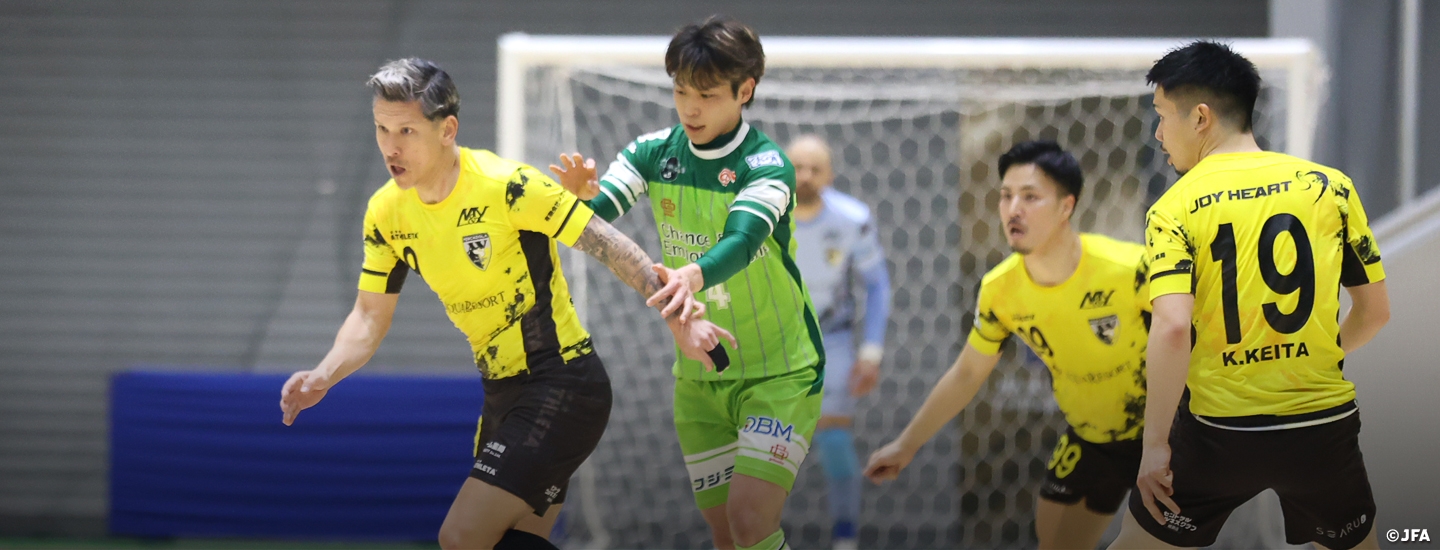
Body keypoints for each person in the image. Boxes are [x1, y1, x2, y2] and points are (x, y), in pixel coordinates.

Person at [276, 58, 730, 550]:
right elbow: (368, 316)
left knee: (461, 537)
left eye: (406, 130)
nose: (391, 147)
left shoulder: (508, 185)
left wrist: (679, 319)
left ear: (447, 129)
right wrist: (325, 374)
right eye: (382, 129)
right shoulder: (385, 213)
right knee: (500, 542)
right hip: (501, 393)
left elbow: (609, 245)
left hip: (563, 383)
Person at [549, 16, 824, 550]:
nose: (690, 108)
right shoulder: (652, 152)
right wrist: (581, 201)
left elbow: (742, 239)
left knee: (750, 521)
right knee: (724, 533)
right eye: (680, 91)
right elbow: (598, 220)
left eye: (707, 94)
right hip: (700, 374)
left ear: (745, 91)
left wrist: (692, 273)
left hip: (780, 372)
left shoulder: (767, 165)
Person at [1108, 41, 1389, 550]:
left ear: (1200, 117)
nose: (1158, 133)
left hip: (1220, 432)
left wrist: (1154, 446)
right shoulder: (1331, 187)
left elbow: (1172, 327)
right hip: (1322, 428)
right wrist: (1307, 361)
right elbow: (1374, 314)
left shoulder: (1173, 208)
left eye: (1162, 116)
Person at [865, 140, 1151, 550]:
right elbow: (967, 373)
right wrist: (906, 445)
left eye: (1030, 197)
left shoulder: (1130, 268)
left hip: (1166, 433)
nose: (1013, 209)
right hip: (1092, 437)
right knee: (1053, 540)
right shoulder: (999, 290)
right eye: (1006, 196)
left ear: (1066, 207)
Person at [786, 135, 891, 550]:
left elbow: (877, 285)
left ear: (830, 175)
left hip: (831, 339)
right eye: (797, 167)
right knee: (759, 448)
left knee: (833, 438)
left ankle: (845, 539)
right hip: (773, 341)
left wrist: (871, 352)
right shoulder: (761, 217)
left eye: (815, 169)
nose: (806, 176)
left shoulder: (852, 219)